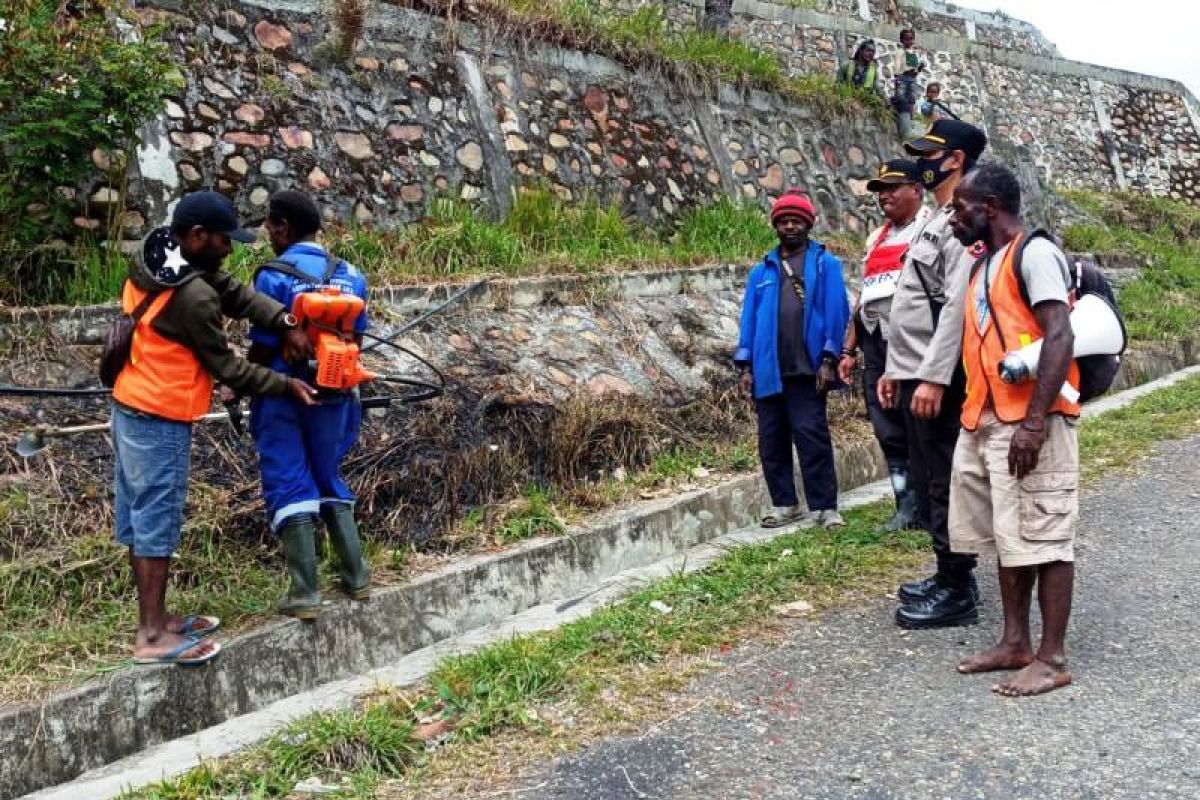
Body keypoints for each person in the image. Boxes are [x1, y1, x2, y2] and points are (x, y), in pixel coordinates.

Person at [111, 191, 317, 665]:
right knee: (156, 524)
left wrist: (284, 320)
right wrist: (286, 386)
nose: (232, 250)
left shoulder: (161, 251)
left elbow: (235, 292)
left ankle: (158, 619)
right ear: (199, 236)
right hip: (159, 414)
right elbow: (231, 369)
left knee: (141, 519)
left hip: (128, 403)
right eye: (226, 241)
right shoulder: (193, 298)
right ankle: (151, 638)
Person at [948, 164, 1081, 697]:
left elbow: (1059, 334)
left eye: (961, 208)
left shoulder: (1035, 254)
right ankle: (1015, 642)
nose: (954, 217)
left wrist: (1033, 423)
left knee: (1046, 536)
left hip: (1032, 422)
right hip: (988, 420)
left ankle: (1051, 658)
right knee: (1011, 534)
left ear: (991, 208)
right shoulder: (985, 265)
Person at [877, 119, 988, 629]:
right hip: (916, 373)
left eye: (930, 153)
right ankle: (947, 573)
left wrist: (934, 377)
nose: (922, 161)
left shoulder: (965, 220)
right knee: (927, 477)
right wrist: (899, 370)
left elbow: (956, 309)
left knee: (945, 481)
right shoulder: (937, 218)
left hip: (940, 379)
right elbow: (912, 304)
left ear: (956, 159)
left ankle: (957, 586)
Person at [245, 190, 372, 620]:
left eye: (270, 226)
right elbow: (356, 341)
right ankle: (356, 578)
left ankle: (304, 593)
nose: (268, 234)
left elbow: (263, 346)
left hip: (283, 393)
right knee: (327, 474)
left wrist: (239, 383)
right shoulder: (352, 274)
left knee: (288, 478)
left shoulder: (272, 276)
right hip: (335, 391)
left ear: (281, 227)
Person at [735, 190, 851, 530]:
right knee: (771, 441)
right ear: (775, 225)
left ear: (808, 224)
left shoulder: (824, 264)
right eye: (784, 220)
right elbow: (749, 321)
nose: (790, 225)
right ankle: (785, 503)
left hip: (808, 370)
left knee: (812, 437)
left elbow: (836, 311)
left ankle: (825, 507)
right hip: (769, 370)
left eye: (796, 220)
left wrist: (829, 359)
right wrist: (745, 365)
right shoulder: (762, 271)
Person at [838, 160, 932, 533]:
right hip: (876, 342)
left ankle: (931, 506)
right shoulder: (875, 237)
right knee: (886, 424)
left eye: (894, 187)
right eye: (880, 189)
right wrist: (849, 348)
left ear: (917, 190)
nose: (885, 195)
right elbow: (865, 295)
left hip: (913, 341)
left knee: (919, 422)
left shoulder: (931, 228)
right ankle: (905, 505)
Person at [891, 28, 927, 139]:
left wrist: (919, 68)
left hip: (912, 79)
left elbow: (918, 68)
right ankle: (899, 116)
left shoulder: (915, 54)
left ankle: (911, 121)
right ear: (902, 40)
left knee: (911, 99)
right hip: (903, 77)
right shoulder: (900, 53)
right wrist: (897, 79)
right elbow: (897, 68)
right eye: (906, 39)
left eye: (911, 39)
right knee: (901, 97)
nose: (909, 41)